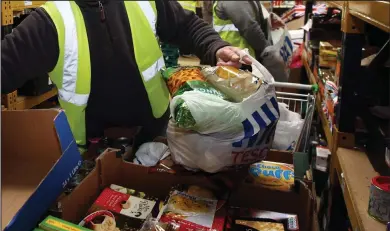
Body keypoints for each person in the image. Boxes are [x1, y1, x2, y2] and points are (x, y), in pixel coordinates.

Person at [1, 0, 250, 152]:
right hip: (92, 151)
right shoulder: (52, 19)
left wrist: (216, 47)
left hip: (158, 135)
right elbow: (6, 65)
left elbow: (186, 26)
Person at [213, 0, 287, 81]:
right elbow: (250, 29)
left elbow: (251, 18)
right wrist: (268, 53)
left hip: (244, 60)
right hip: (235, 61)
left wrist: (267, 22)